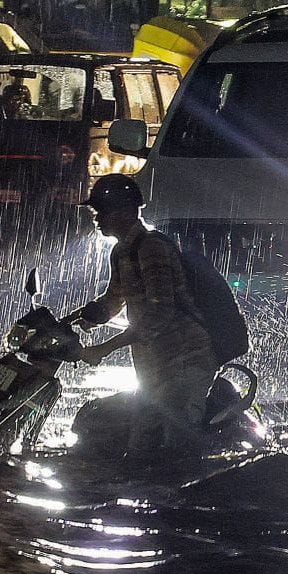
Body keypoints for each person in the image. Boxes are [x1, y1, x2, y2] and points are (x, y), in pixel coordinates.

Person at [66, 174, 221, 449]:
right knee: (140, 443)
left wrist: (104, 348)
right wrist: (87, 316)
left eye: (102, 211)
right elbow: (115, 297)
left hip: (185, 361)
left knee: (177, 443)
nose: (96, 219)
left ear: (126, 212)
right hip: (155, 367)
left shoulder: (152, 248)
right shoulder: (120, 252)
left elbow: (159, 314)